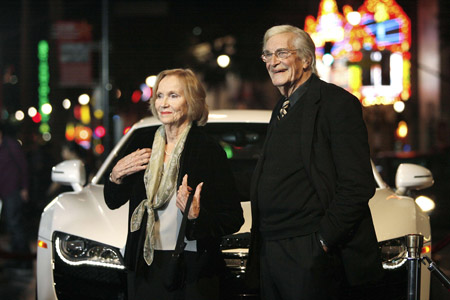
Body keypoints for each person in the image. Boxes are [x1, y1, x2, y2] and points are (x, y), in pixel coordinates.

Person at [245, 25, 383, 299]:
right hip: (270, 248)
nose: (273, 62)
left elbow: (357, 185)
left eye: (282, 53)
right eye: (267, 55)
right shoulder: (281, 109)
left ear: (306, 59)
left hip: (308, 252)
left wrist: (322, 241)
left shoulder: (337, 104)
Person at [104, 68, 244, 300]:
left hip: (191, 269)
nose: (164, 103)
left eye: (174, 95)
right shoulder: (142, 144)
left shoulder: (208, 151)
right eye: (159, 95)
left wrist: (196, 216)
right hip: (144, 263)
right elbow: (112, 201)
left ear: (192, 101)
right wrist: (114, 177)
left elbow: (232, 217)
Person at [0, 122, 31, 267]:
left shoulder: (11, 145)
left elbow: (23, 166)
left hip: (13, 190)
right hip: (4, 192)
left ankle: (24, 260)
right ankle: (16, 258)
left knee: (16, 225)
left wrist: (24, 188)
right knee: (10, 226)